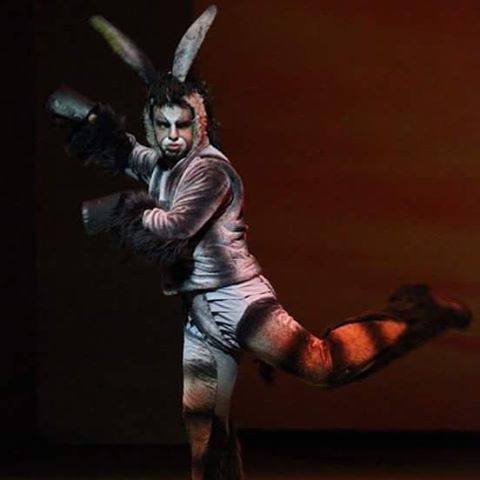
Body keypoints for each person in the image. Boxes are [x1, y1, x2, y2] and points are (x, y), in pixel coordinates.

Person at [48, 6, 472, 480]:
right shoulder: (164, 164)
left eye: (182, 125)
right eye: (163, 126)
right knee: (204, 430)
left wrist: (119, 209)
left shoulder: (210, 171)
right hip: (200, 313)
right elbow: (127, 151)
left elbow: (174, 227)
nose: (173, 137)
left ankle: (417, 314)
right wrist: (89, 119)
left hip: (240, 302)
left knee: (322, 364)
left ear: (200, 124)